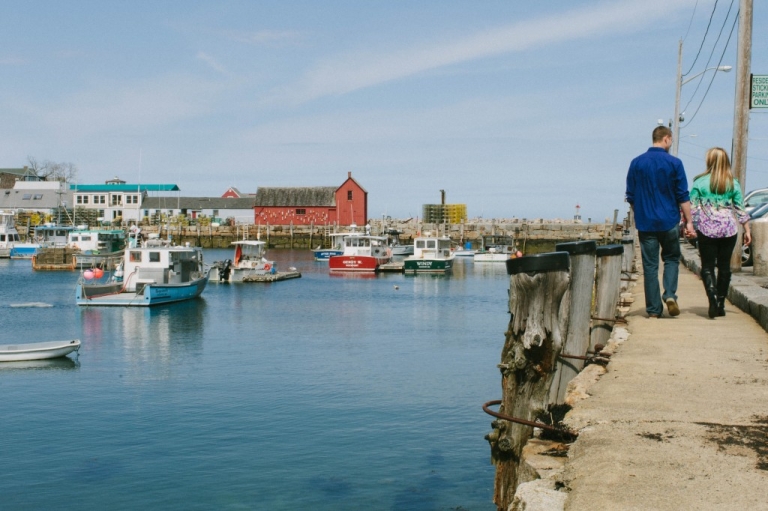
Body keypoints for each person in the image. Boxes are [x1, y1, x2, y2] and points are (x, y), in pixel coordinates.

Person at [626, 125, 694, 318]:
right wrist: (689, 221)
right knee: (671, 259)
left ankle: (654, 310)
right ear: (666, 139)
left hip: (646, 222)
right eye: (670, 141)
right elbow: (683, 196)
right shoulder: (675, 163)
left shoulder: (636, 163)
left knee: (650, 266)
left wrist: (640, 211)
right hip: (669, 220)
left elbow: (630, 195)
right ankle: (670, 294)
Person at [690, 147, 751, 318]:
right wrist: (747, 230)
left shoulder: (699, 182)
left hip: (706, 229)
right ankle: (721, 303)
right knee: (724, 267)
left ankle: (712, 298)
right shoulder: (733, 182)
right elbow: (740, 208)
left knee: (707, 266)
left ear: (710, 161)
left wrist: (689, 227)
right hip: (728, 230)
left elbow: (693, 208)